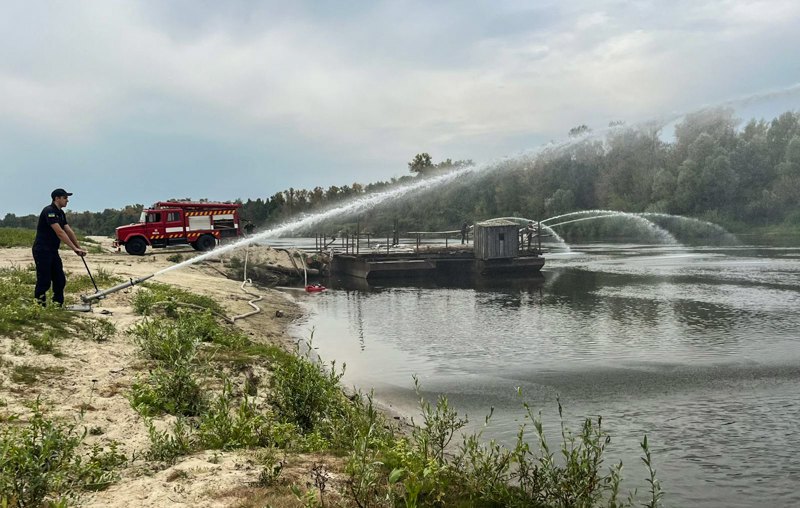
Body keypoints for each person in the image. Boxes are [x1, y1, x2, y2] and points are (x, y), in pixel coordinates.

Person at [32, 188, 87, 306]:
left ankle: (57, 304)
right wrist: (73, 248)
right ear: (57, 198)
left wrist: (78, 248)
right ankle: (39, 305)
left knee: (59, 279)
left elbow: (68, 230)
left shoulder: (60, 213)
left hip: (52, 250)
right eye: (65, 198)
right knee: (44, 280)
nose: (67, 201)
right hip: (42, 250)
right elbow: (60, 232)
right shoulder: (49, 211)